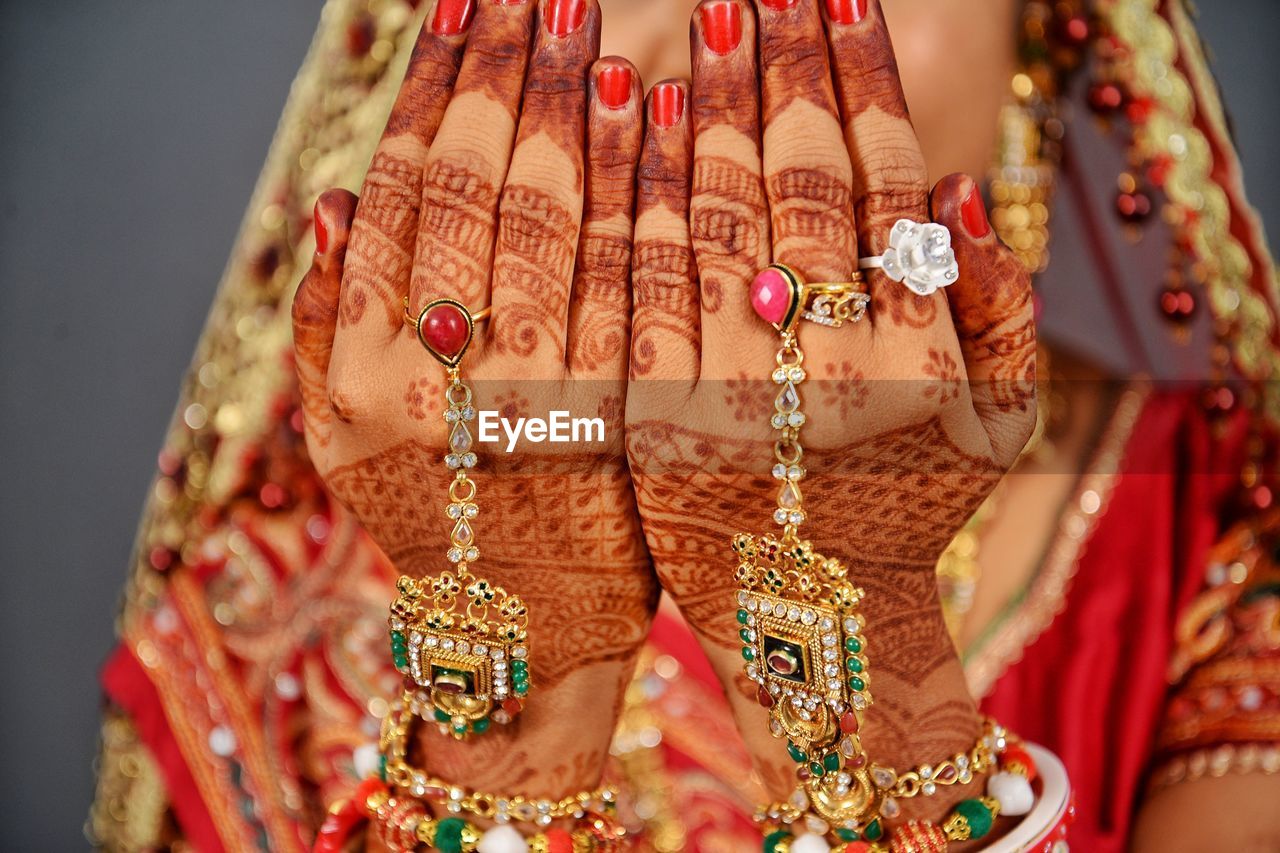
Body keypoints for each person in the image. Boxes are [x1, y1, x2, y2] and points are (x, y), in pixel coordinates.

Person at [90, 0, 1280, 851]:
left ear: (1051, 28)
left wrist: (854, 629)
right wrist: (522, 707)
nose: (762, 46)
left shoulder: (1223, 542)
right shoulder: (301, 583)